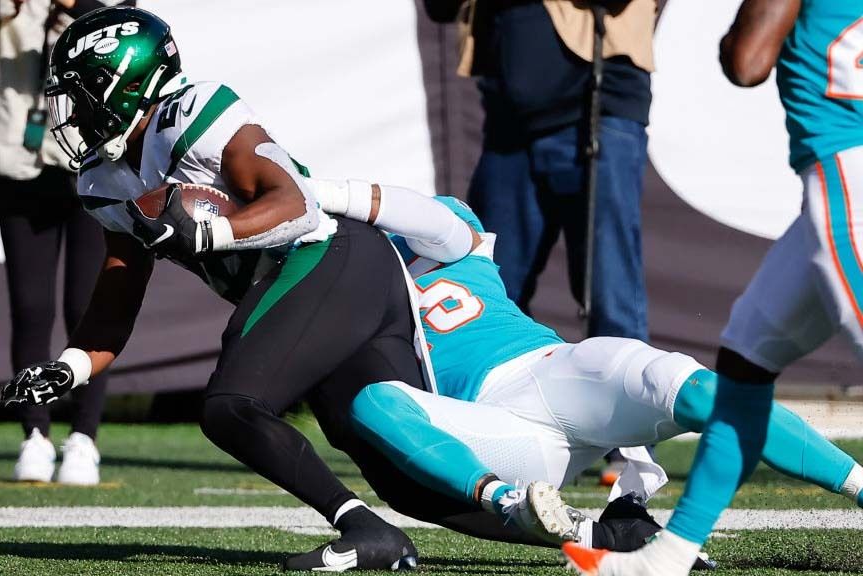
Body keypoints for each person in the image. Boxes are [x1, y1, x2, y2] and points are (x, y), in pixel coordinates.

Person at [0, 6, 482, 571]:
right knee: (401, 470)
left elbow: (297, 203)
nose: (73, 112)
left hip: (330, 257)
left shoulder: (189, 113)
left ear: (125, 84)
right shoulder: (103, 180)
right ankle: (586, 528)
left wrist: (209, 231)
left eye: (82, 93)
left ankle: (364, 527)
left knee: (232, 405)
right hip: (299, 286)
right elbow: (119, 291)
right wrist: (72, 367)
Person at [343, 196, 863, 557]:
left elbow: (438, 214)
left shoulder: (451, 237)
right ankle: (513, 504)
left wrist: (338, 199)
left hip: (560, 372)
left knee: (707, 392)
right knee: (374, 403)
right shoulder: (355, 280)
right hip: (501, 423)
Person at [562, 0, 863, 574]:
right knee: (745, 362)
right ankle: (668, 556)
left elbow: (747, 61)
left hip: (847, 166)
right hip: (837, 171)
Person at [425, 0, 658, 487]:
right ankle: (478, 435)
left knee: (608, 286)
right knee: (484, 285)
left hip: (595, 107)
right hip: (509, 120)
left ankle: (631, 450)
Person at [0, 0, 133, 485]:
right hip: (20, 164)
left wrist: (77, 7)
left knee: (87, 307)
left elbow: (124, 40)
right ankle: (34, 434)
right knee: (31, 307)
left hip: (90, 165)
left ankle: (84, 438)